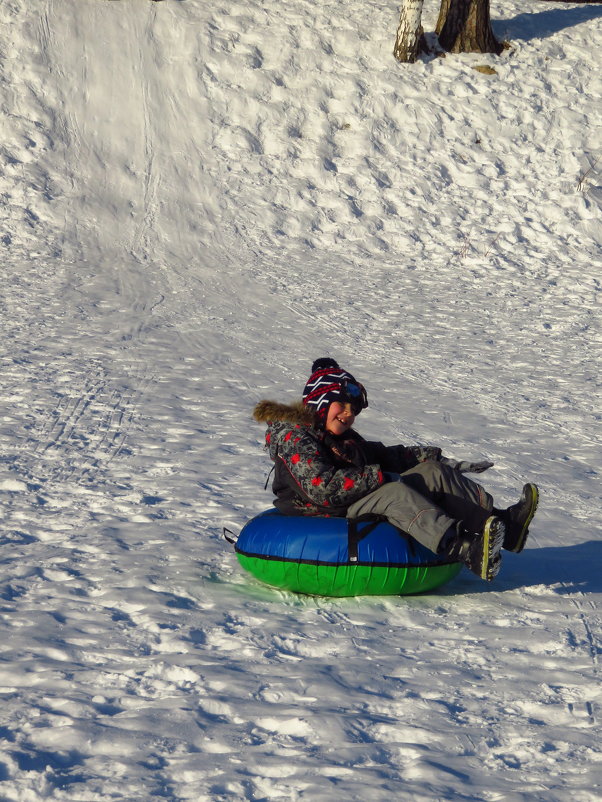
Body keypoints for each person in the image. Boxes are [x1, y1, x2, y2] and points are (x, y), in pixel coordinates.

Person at [253, 358, 539, 582]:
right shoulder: (295, 437)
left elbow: (388, 456)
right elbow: (322, 488)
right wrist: (378, 477)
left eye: (354, 409)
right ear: (319, 401)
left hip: (349, 496)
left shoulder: (343, 439)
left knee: (431, 473)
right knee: (393, 492)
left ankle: (504, 525)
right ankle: (462, 548)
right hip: (317, 508)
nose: (348, 414)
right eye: (341, 405)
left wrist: (438, 458)